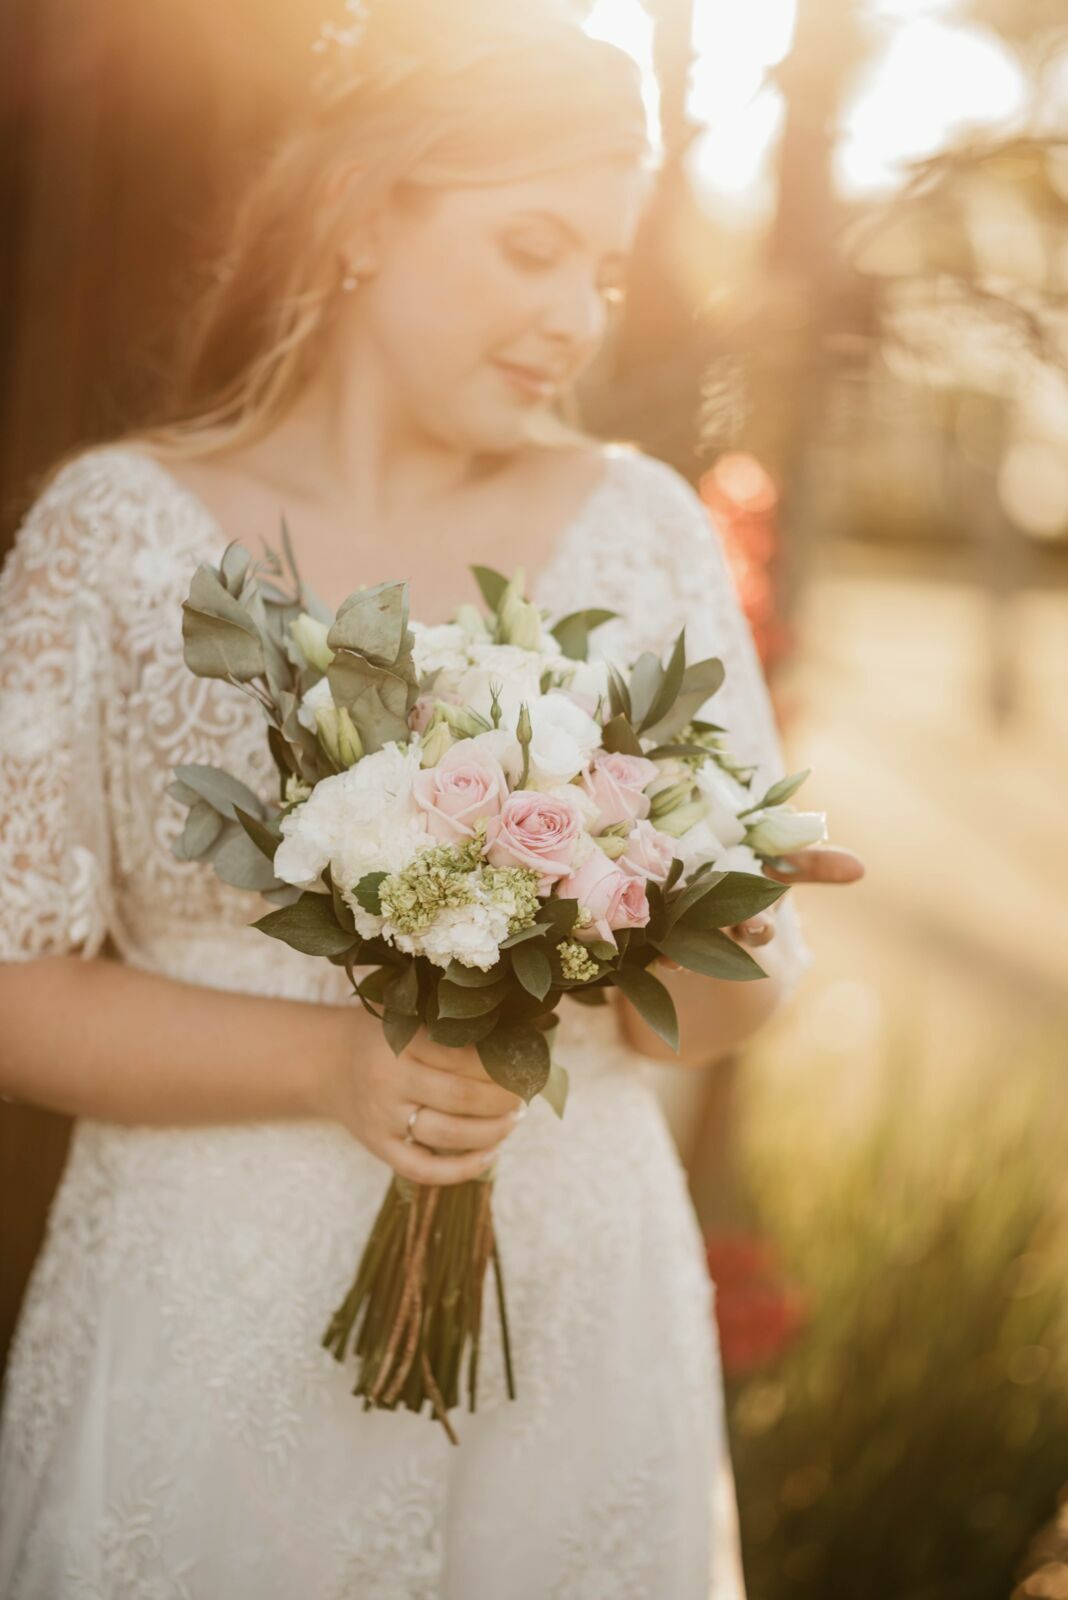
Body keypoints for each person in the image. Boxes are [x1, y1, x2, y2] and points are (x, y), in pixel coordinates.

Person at [0, 3, 861, 1594]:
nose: (572, 318)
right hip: (207, 1304)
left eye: (601, 273)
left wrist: (695, 896)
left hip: (572, 1308)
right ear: (361, 216)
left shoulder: (643, 527)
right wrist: (336, 1057)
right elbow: (12, 981)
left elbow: (742, 1006)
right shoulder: (110, 536)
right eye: (531, 247)